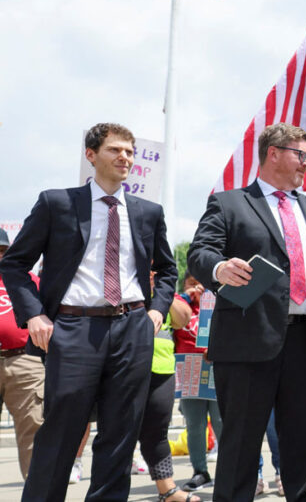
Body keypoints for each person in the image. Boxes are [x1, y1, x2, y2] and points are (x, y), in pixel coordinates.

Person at [0, 122, 177, 501]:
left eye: (129, 151)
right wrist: (34, 315)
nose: (124, 157)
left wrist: (157, 311)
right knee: (61, 430)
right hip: (74, 328)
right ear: (91, 155)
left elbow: (167, 269)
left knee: (120, 433)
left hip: (133, 327)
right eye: (115, 150)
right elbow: (14, 264)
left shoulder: (148, 212)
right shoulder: (57, 203)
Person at [187, 122, 306, 501]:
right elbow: (200, 253)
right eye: (301, 155)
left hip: (305, 343)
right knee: (240, 447)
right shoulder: (229, 203)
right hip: (246, 342)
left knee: (299, 446)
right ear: (273, 153)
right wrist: (219, 268)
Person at [140, 270, 201, 502]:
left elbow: (183, 317)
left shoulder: (162, 291)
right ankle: (111, 487)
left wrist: (161, 290)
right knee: (118, 431)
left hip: (162, 368)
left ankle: (167, 490)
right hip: (125, 364)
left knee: (158, 432)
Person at [0, 228, 45, 481]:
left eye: (3, 251)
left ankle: (37, 495)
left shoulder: (27, 280)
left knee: (34, 432)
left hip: (24, 360)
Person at [174, 273, 223, 493]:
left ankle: (227, 468)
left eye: (201, 283)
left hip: (216, 367)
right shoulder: (181, 304)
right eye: (191, 283)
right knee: (195, 424)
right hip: (189, 369)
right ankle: (200, 471)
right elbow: (170, 306)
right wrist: (187, 295)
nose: (197, 287)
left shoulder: (217, 302)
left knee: (222, 420)